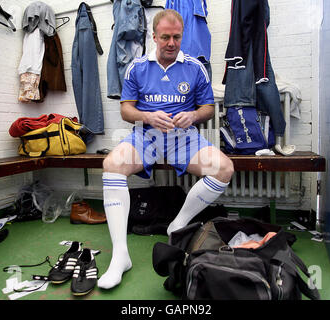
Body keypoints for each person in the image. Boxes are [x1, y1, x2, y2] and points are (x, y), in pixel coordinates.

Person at [98, 9, 234, 290]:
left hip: (184, 137)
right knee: (111, 165)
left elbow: (207, 107)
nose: (171, 43)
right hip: (145, 136)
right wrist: (147, 116)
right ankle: (121, 255)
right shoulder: (137, 67)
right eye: (165, 37)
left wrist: (194, 116)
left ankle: (177, 224)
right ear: (154, 36)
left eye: (176, 37)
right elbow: (126, 109)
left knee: (224, 169)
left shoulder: (194, 67)